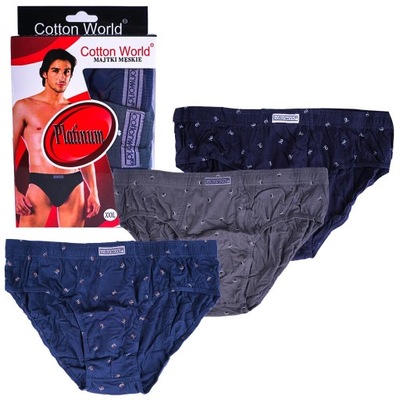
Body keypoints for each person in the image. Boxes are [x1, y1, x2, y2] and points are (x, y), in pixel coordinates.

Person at [13, 48, 101, 227]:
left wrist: (94, 191)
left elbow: (85, 156)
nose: (62, 77)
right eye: (55, 70)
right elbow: (6, 152)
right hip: (40, 182)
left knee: (73, 241)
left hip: (73, 183)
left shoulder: (75, 111)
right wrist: (11, 191)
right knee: (28, 240)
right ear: (44, 73)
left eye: (66, 72)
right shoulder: (24, 106)